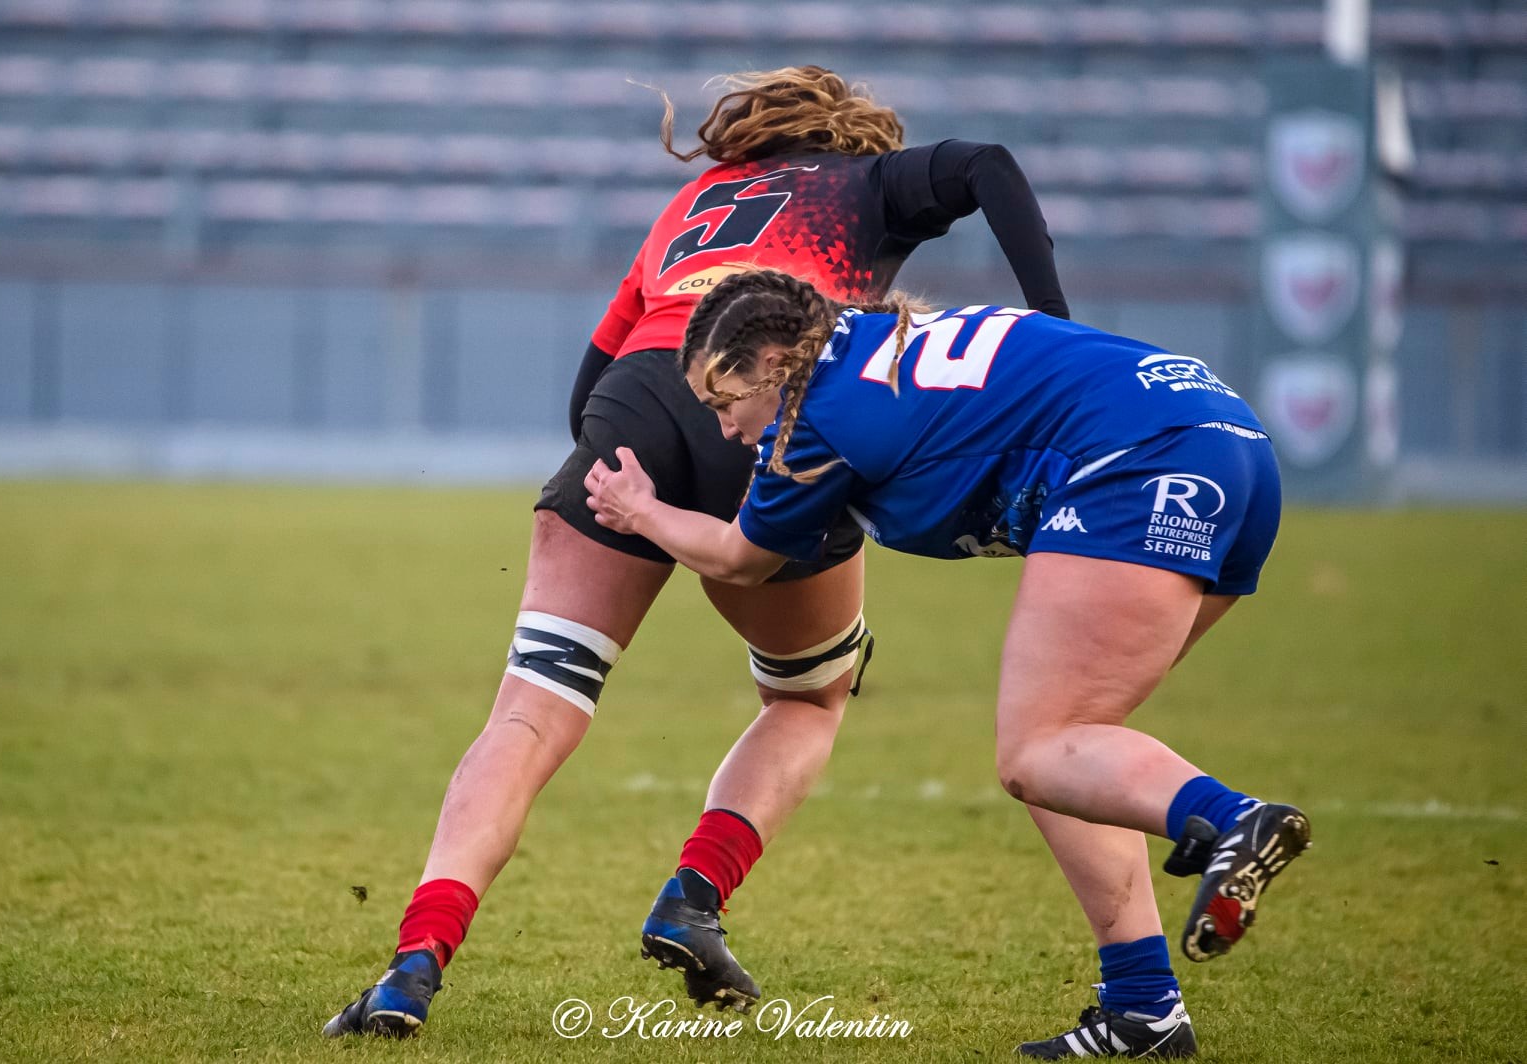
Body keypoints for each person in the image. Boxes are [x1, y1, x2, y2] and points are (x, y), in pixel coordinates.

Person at [323, 67, 1070, 1037]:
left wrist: (627, 491)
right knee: (807, 695)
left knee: (531, 713)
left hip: (628, 412)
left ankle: (410, 966)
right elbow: (990, 165)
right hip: (768, 416)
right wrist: (1055, 322)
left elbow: (594, 376)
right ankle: (693, 896)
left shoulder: (694, 198)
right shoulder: (864, 183)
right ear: (852, 137)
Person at [583, 269, 1312, 1059]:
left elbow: (740, 558)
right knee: (1071, 751)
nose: (726, 432)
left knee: (1042, 746)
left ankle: (1234, 821)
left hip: (1137, 464)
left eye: (725, 404)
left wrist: (640, 511)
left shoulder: (814, 418)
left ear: (774, 361)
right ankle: (1144, 1009)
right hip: (1233, 446)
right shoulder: (869, 343)